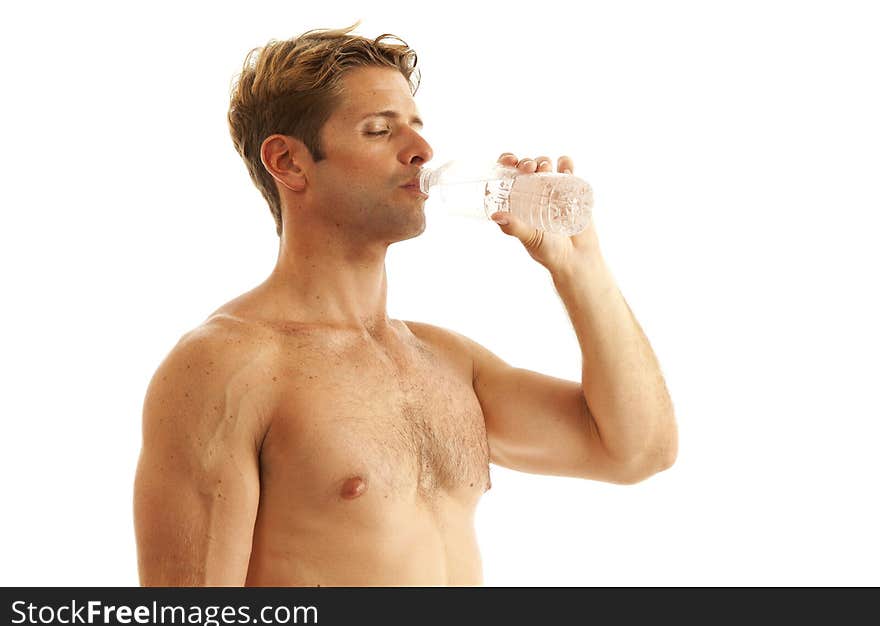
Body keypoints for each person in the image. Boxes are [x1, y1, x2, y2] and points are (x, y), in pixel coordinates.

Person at [132, 23, 678, 587]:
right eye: (378, 130)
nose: (421, 151)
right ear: (289, 163)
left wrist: (578, 265)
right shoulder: (225, 367)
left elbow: (639, 450)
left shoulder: (447, 363)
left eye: (416, 127)